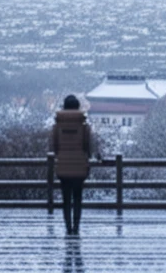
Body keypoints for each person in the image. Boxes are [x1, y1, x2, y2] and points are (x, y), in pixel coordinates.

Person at [53, 94, 93, 236]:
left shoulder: (57, 126)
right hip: (79, 166)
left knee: (65, 199)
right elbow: (88, 147)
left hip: (63, 166)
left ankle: (68, 227)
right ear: (77, 107)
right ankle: (76, 227)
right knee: (77, 198)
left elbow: (54, 147)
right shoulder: (84, 126)